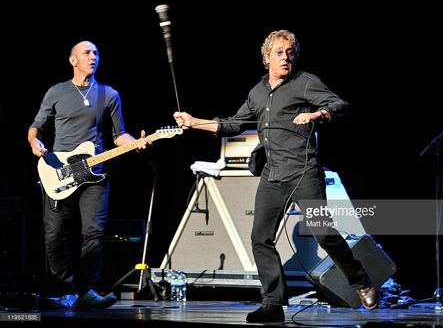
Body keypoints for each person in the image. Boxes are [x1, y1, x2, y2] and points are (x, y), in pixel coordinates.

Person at [174, 30, 378, 322]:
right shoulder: (257, 93)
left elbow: (340, 106)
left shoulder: (305, 82)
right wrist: (194, 122)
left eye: (290, 52)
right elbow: (232, 124)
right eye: (280, 52)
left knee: (326, 235)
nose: (286, 57)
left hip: (303, 172)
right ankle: (272, 304)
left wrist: (317, 115)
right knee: (260, 237)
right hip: (272, 175)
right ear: (266, 57)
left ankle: (362, 282)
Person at [28, 41, 152, 310]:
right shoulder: (56, 92)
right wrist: (35, 143)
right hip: (59, 172)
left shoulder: (108, 94)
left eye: (95, 53)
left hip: (95, 172)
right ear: (73, 61)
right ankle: (65, 291)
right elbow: (35, 127)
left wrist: (136, 143)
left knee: (93, 234)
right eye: (86, 53)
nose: (93, 57)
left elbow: (119, 136)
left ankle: (88, 292)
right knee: (54, 236)